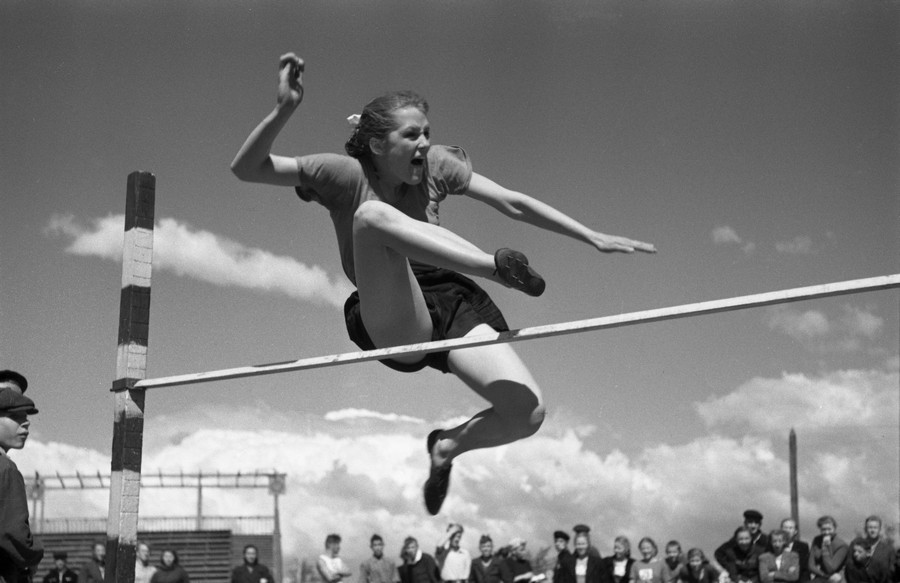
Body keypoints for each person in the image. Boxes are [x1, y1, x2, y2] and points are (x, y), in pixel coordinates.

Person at [231, 53, 656, 515]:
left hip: (451, 297)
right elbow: (247, 169)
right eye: (411, 135)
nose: (424, 142)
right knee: (372, 217)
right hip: (394, 309)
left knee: (526, 414)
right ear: (376, 145)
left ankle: (446, 448)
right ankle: (494, 267)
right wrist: (285, 109)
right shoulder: (345, 174)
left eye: (427, 133)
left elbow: (511, 202)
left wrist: (590, 235)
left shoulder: (436, 166)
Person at [0, 386, 43, 583]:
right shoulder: (6, 469)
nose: (26, 423)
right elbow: (13, 534)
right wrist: (34, 555)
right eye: (16, 416)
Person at [808, 516, 847, 583]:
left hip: (837, 579)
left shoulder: (841, 545)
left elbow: (830, 569)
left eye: (829, 529)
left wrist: (825, 547)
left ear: (834, 528)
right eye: (823, 529)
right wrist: (824, 575)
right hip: (821, 577)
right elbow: (811, 565)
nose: (826, 532)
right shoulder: (817, 540)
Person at [780, 518, 810, 583]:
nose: (787, 530)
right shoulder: (773, 546)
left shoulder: (803, 547)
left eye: (790, 528)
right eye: (785, 528)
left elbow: (804, 570)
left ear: (795, 531)